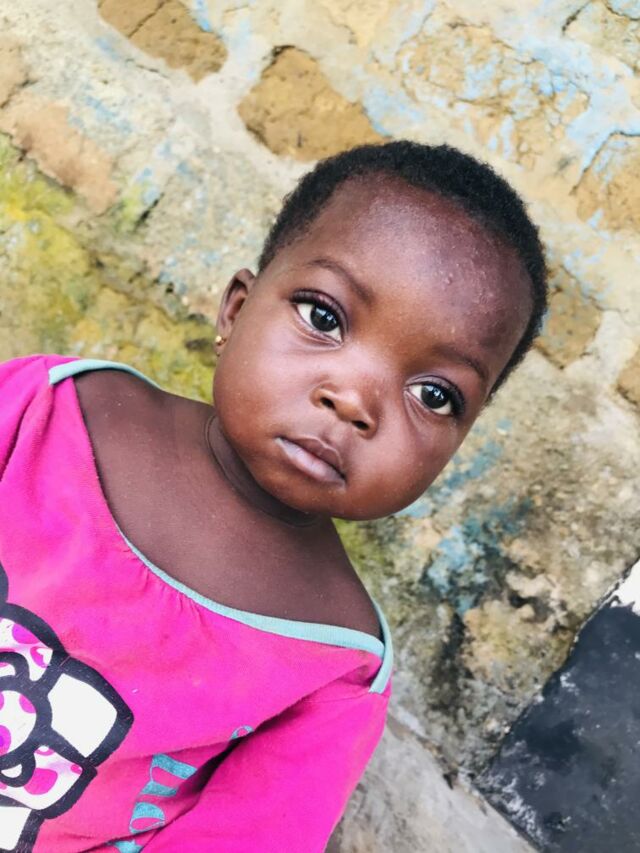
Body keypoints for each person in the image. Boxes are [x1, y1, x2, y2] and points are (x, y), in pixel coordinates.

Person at [0, 140, 547, 852]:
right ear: (235, 309)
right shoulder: (47, 407)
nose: (353, 400)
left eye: (434, 394)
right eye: (324, 317)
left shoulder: (336, 662)